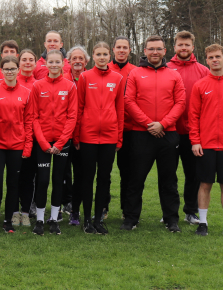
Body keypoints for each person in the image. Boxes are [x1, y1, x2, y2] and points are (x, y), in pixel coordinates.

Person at [122, 35, 186, 232]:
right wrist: (149, 123)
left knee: (168, 180)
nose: (155, 52)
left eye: (158, 49)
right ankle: (131, 218)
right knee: (136, 179)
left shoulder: (174, 74)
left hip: (168, 134)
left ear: (165, 51)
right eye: (151, 49)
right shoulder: (135, 74)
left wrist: (163, 124)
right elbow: (129, 101)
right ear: (145, 51)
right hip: (141, 134)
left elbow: (181, 102)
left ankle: (171, 219)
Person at [188, 44, 223, 240]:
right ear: (206, 60)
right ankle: (203, 223)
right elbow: (193, 116)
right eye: (211, 57)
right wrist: (195, 141)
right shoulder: (200, 86)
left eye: (218, 56)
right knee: (204, 184)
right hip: (205, 145)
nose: (215, 60)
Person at [74, 42, 125, 235]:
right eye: (98, 54)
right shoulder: (85, 77)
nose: (102, 57)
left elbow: (120, 109)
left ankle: (98, 219)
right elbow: (79, 108)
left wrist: (118, 138)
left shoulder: (118, 78)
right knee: (87, 178)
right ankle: (86, 219)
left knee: (104, 178)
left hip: (109, 136)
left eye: (105, 54)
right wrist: (77, 135)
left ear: (108, 55)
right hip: (88, 135)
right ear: (92, 57)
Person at [29, 50, 77, 235]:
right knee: (42, 180)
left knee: (59, 180)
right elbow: (34, 117)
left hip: (62, 142)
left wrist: (61, 142)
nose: (54, 65)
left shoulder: (70, 86)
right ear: (45, 64)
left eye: (58, 62)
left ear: (63, 63)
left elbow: (72, 117)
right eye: (51, 62)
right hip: (43, 142)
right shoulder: (37, 86)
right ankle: (40, 219)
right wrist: (43, 142)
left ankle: (54, 218)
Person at [0, 55, 34, 234]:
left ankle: (8, 222)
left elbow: (29, 121)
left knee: (13, 184)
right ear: (1, 71)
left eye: (13, 68)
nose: (10, 72)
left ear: (18, 70)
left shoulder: (26, 93)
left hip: (18, 146)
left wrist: (27, 146)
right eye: (6, 69)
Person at [167, 30, 210, 225]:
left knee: (193, 174)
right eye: (180, 44)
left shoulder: (203, 71)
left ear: (193, 47)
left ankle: (191, 211)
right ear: (174, 47)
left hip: (194, 132)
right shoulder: (165, 68)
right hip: (169, 131)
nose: (183, 48)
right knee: (168, 173)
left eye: (187, 45)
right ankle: (169, 212)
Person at [110, 36, 137, 219]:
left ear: (129, 50)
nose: (121, 50)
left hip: (129, 129)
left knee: (127, 172)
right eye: (118, 47)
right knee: (103, 172)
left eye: (124, 47)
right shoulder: (104, 68)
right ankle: (102, 207)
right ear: (113, 49)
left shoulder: (136, 71)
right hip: (107, 129)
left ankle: (126, 211)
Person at [63, 45, 90, 226]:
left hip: (84, 135)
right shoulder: (62, 79)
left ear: (86, 61)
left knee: (81, 174)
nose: (78, 61)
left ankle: (76, 210)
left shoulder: (90, 78)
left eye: (81, 58)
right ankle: (65, 205)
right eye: (74, 58)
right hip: (64, 135)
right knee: (63, 174)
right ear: (69, 61)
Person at [13, 48, 38, 227]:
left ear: (36, 63)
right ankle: (14, 211)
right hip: (13, 139)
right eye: (24, 60)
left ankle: (26, 211)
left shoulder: (39, 84)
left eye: (31, 60)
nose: (27, 62)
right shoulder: (12, 83)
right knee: (14, 177)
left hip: (33, 137)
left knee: (29, 177)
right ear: (18, 63)